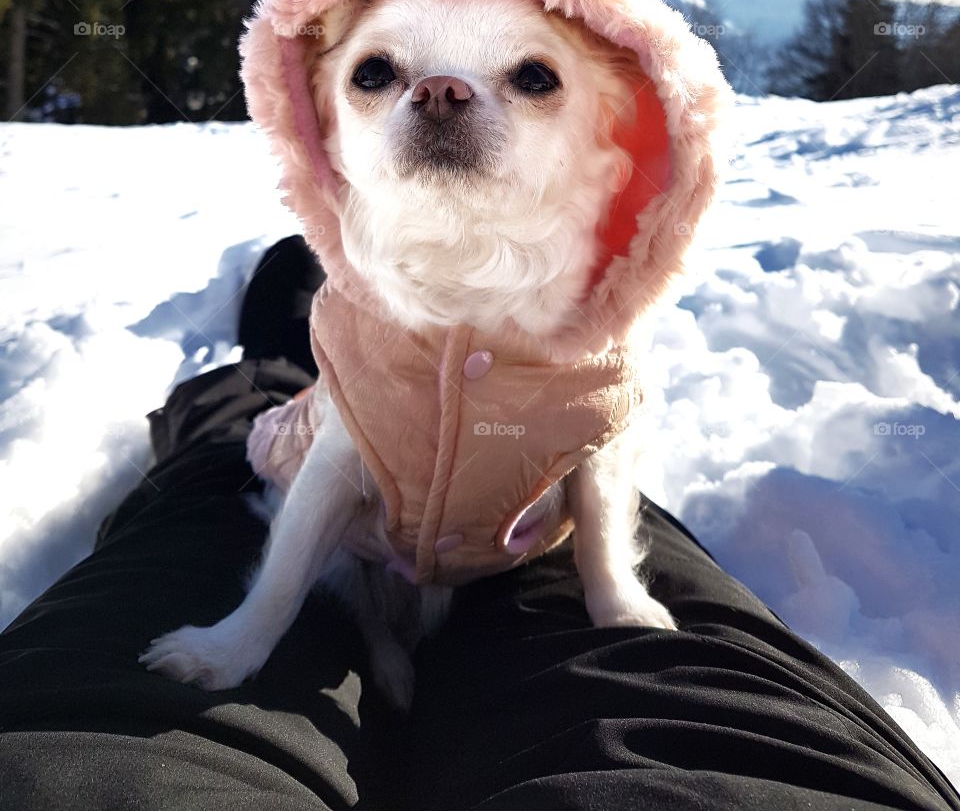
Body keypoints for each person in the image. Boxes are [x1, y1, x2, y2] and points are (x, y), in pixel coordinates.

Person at [0, 237, 956, 811]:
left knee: (217, 493)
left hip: (519, 523)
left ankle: (260, 388)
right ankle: (309, 378)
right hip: (713, 749)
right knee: (307, 440)